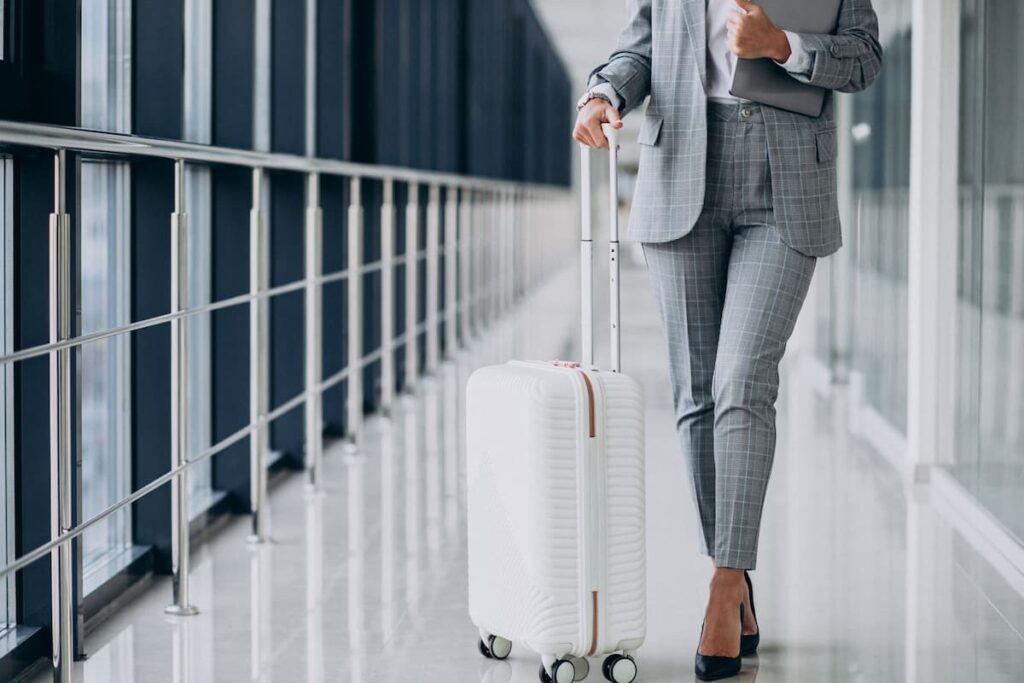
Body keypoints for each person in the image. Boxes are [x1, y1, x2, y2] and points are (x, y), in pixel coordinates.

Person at [573, 0, 882, 679]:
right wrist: (603, 93)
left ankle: (723, 582)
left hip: (787, 182)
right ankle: (734, 571)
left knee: (743, 378)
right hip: (683, 166)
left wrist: (782, 46)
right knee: (697, 394)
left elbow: (864, 56)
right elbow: (642, 48)